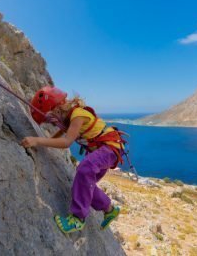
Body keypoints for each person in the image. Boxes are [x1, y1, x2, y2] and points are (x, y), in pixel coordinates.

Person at [20, 86, 125, 234]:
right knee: (86, 183)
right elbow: (62, 131)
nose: (52, 122)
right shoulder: (70, 117)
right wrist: (47, 141)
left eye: (51, 118)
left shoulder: (77, 115)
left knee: (84, 169)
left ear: (57, 109)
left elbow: (67, 142)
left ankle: (77, 218)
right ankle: (110, 209)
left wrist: (38, 141)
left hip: (109, 148)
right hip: (104, 150)